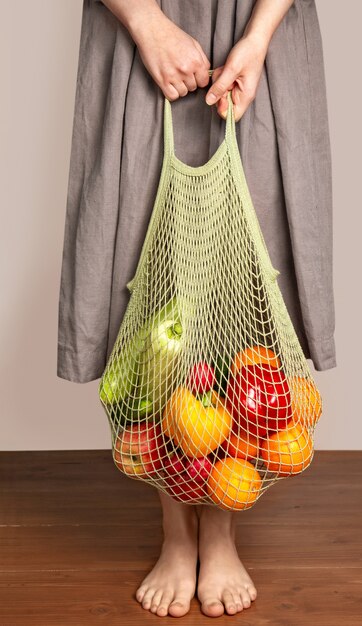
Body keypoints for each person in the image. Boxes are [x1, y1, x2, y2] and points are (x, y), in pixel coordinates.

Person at [57, 0, 336, 618]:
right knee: (149, 276)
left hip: (261, 22)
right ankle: (177, 534)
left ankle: (219, 532)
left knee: (244, 271)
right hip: (139, 18)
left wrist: (260, 35)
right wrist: (146, 23)